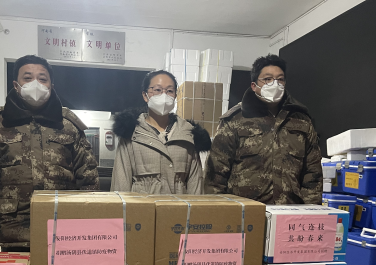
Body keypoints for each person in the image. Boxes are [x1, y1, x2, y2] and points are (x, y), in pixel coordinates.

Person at [0, 55, 99, 252]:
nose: (35, 84)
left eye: (42, 79)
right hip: (14, 229)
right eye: (28, 78)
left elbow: (88, 175)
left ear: (51, 86)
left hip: (62, 229)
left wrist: (89, 219)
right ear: (16, 85)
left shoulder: (68, 125)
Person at [204, 54, 322, 205]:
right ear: (254, 85)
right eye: (267, 79)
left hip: (290, 212)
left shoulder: (301, 121)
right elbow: (215, 177)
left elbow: (313, 175)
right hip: (246, 212)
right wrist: (221, 212)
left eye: (280, 79)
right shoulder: (235, 120)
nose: (275, 84)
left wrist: (310, 211)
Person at [111, 70, 210, 195]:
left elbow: (195, 186)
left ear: (175, 96)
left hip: (178, 206)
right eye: (157, 90)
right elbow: (120, 184)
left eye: (170, 91)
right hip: (142, 206)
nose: (164, 95)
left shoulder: (188, 135)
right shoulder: (132, 134)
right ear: (145, 95)